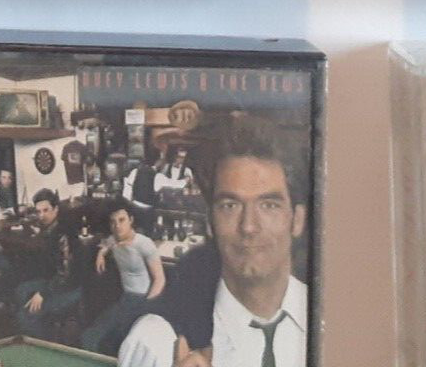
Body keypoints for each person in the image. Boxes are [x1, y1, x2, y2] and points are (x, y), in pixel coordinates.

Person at [118, 117, 309, 367]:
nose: (249, 226)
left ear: (297, 220)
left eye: (269, 205)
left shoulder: (332, 318)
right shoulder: (156, 343)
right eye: (230, 205)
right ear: (209, 222)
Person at [83, 203, 166, 355]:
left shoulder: (144, 243)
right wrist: (101, 253)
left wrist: (146, 307)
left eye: (122, 220)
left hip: (142, 299)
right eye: (113, 222)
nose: (117, 226)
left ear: (131, 220)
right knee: (90, 336)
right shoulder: (113, 239)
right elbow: (107, 243)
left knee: (123, 342)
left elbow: (160, 279)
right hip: (125, 299)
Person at [14, 191, 83, 339]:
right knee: (21, 291)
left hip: (70, 287)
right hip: (54, 280)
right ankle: (40, 325)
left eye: (46, 210)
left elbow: (65, 274)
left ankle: (44, 341)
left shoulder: (63, 234)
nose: (41, 216)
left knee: (25, 315)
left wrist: (42, 293)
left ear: (56, 209)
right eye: (38, 211)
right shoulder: (50, 228)